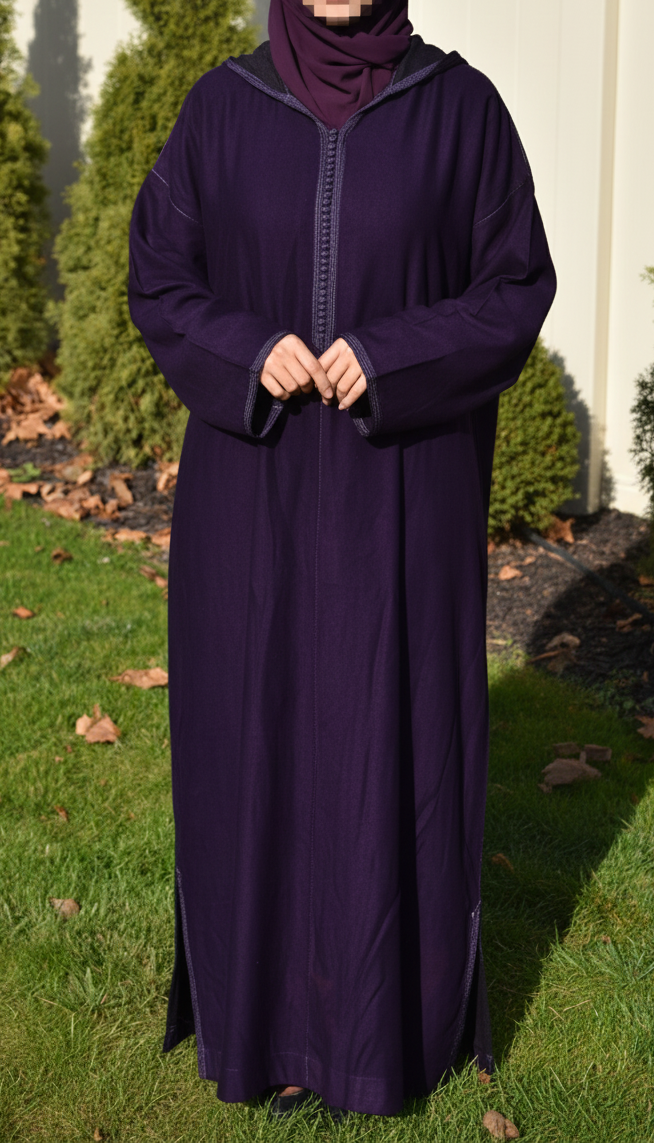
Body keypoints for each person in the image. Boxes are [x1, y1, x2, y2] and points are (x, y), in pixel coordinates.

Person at [128, 0, 556, 1120]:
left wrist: (390, 353)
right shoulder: (221, 110)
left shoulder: (461, 112)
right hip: (250, 500)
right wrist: (244, 345)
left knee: (385, 749)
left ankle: (379, 1042)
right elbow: (162, 278)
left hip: (400, 499)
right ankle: (259, 1029)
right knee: (254, 744)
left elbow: (515, 288)